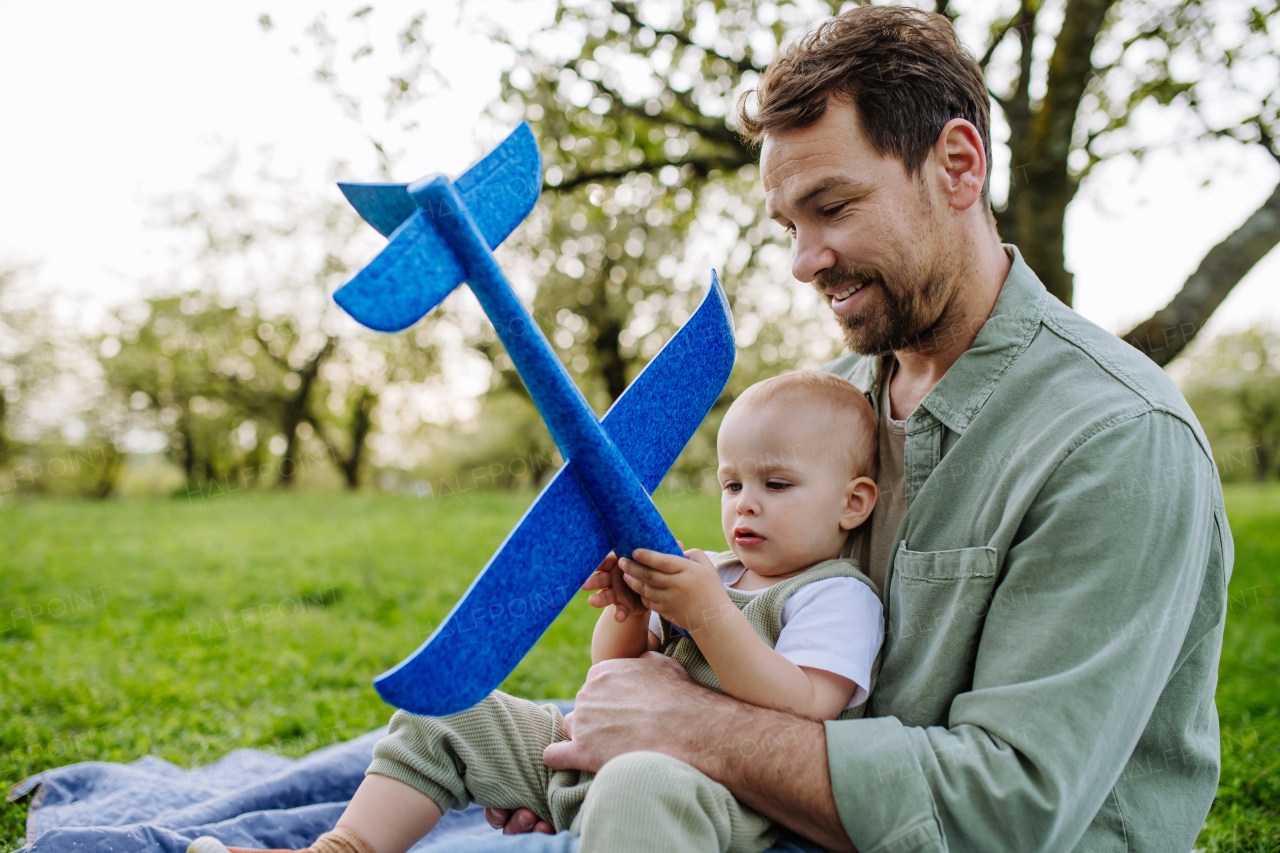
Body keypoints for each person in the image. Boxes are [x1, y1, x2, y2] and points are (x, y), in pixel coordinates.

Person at [485, 6, 1231, 852]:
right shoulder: (833, 403)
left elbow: (1011, 810)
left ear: (957, 165)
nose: (804, 261)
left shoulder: (1117, 440)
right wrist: (598, 748)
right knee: (442, 755)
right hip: (772, 818)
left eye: (831, 206)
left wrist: (688, 729)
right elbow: (770, 651)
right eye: (790, 227)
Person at [188, 371, 887, 853]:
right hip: (587, 751)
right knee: (454, 709)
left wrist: (710, 616)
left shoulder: (835, 594)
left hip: (709, 798)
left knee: (640, 784)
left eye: (776, 483)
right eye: (732, 483)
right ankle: (347, 844)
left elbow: (807, 707)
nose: (746, 504)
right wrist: (628, 609)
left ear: (853, 501)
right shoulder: (710, 570)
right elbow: (615, 674)